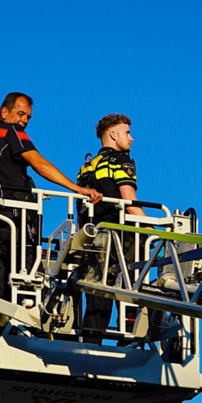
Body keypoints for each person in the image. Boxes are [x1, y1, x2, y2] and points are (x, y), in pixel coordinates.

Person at [0, 92, 102, 341]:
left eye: (28, 117)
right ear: (4, 112)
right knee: (31, 275)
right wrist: (78, 189)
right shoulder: (11, 131)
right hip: (14, 219)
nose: (25, 121)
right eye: (20, 114)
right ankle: (39, 331)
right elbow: (38, 164)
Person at [76, 113, 144, 344]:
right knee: (132, 286)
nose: (131, 139)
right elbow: (129, 201)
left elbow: (80, 208)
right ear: (113, 135)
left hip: (92, 237)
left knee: (97, 294)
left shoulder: (87, 166)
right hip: (120, 236)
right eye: (127, 133)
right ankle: (131, 340)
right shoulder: (121, 161)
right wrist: (154, 229)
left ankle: (90, 345)